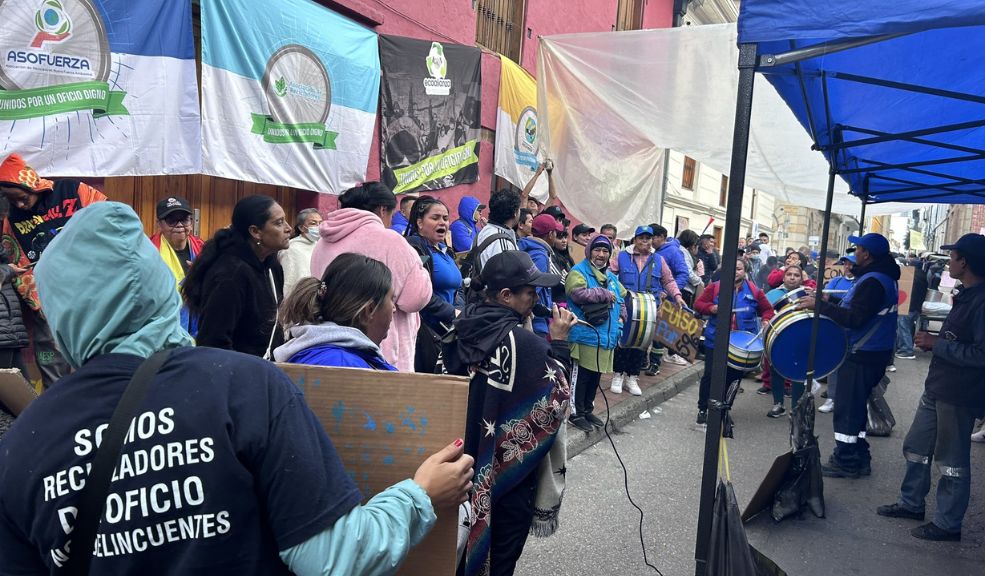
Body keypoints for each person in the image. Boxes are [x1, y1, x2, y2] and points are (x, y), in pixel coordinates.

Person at [0, 201, 474, 575]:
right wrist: (419, 495)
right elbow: (334, 559)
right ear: (157, 284)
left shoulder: (22, 445)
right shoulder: (247, 388)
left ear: (59, 311)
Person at [444, 250, 575, 576]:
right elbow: (557, 403)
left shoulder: (459, 330)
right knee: (500, 562)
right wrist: (558, 344)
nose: (536, 298)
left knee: (452, 557)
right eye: (530, 292)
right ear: (506, 295)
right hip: (507, 482)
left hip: (455, 471)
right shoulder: (525, 346)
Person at [876, 233, 985, 542]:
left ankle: (948, 524)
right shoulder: (968, 294)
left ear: (964, 262)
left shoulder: (982, 300)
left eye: (952, 257)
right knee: (916, 447)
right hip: (938, 388)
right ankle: (911, 503)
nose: (948, 262)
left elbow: (981, 355)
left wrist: (937, 344)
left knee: (951, 462)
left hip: (958, 394)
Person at [797, 232, 900, 478]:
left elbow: (855, 318)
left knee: (847, 409)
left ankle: (846, 460)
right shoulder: (880, 277)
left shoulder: (873, 281)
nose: (854, 254)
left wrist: (820, 305)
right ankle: (859, 454)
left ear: (867, 254)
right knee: (855, 408)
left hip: (863, 353)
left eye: (858, 249)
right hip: (872, 351)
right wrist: (829, 299)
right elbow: (859, 309)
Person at [0, 153, 105, 387]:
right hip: (47, 307)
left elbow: (108, 222)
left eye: (21, 197)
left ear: (31, 185)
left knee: (94, 364)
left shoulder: (73, 191)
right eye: (10, 200)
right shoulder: (14, 219)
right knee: (51, 366)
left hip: (90, 297)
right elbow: (19, 267)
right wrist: (43, 304)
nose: (18, 204)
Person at [311, 182, 431, 372]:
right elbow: (413, 300)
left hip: (330, 344)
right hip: (380, 348)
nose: (390, 222)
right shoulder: (390, 240)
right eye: (391, 215)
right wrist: (421, 270)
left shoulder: (322, 242)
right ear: (383, 210)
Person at [183, 195, 290, 357]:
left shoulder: (271, 264)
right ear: (255, 232)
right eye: (279, 223)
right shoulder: (230, 275)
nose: (288, 228)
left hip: (266, 371)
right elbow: (213, 341)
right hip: (238, 375)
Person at [275, 253, 397, 370]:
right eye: (391, 299)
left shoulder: (332, 356)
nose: (394, 309)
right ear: (369, 310)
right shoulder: (344, 366)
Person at [694, 259, 774, 424]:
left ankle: (724, 409)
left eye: (739, 269)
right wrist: (712, 308)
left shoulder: (755, 291)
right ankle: (703, 409)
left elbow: (767, 310)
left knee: (733, 379)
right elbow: (699, 304)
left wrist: (766, 320)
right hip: (716, 340)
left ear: (744, 271)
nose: (735, 271)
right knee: (710, 375)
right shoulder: (715, 287)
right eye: (732, 268)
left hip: (740, 345)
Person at [612, 226, 685, 394]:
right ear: (635, 239)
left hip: (649, 309)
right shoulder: (622, 256)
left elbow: (669, 280)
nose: (645, 241)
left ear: (652, 240)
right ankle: (618, 375)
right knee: (623, 341)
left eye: (648, 238)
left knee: (641, 343)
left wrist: (677, 295)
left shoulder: (658, 260)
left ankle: (632, 377)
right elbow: (610, 275)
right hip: (626, 306)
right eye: (641, 237)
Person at [566, 234, 626, 432]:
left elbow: (621, 298)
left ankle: (587, 409)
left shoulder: (611, 277)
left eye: (605, 251)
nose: (601, 255)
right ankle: (576, 413)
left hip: (605, 337)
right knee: (581, 377)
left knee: (595, 377)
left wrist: (621, 318)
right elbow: (576, 293)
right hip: (584, 335)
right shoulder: (579, 271)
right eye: (597, 250)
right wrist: (603, 294)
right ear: (589, 250)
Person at [405, 196, 462, 373]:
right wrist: (453, 313)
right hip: (426, 333)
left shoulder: (446, 252)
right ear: (420, 223)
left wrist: (462, 312)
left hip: (450, 329)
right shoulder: (414, 249)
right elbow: (420, 294)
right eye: (435, 218)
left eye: (445, 218)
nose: (442, 223)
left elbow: (458, 289)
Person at [150, 196, 205, 337]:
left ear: (191, 223)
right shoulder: (148, 250)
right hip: (162, 327)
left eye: (184, 219)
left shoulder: (203, 249)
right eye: (171, 220)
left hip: (198, 325)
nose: (179, 225)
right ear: (159, 224)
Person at [765, 265, 807, 418]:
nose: (792, 277)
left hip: (799, 338)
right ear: (783, 277)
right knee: (776, 370)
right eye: (789, 274)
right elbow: (765, 312)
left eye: (796, 275)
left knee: (798, 372)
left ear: (801, 279)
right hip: (778, 337)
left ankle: (796, 408)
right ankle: (778, 404)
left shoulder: (807, 294)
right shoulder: (772, 294)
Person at [818, 254, 857, 414]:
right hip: (834, 327)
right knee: (834, 363)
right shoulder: (836, 281)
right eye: (846, 264)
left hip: (853, 331)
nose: (848, 267)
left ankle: (847, 398)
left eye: (851, 264)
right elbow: (826, 297)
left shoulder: (860, 284)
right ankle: (832, 397)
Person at [651, 224, 691, 367]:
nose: (650, 241)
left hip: (668, 298)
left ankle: (663, 359)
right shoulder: (654, 251)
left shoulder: (673, 251)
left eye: (653, 237)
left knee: (664, 331)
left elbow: (683, 273)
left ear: (661, 237)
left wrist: (670, 292)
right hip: (654, 298)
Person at [518, 214, 563, 337]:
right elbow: (533, 290)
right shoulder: (540, 256)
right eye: (555, 233)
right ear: (550, 234)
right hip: (536, 322)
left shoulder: (530, 248)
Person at [279, 208, 322, 298]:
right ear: (301, 227)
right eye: (313, 223)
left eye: (320, 223)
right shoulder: (291, 249)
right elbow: (289, 282)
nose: (318, 227)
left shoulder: (319, 246)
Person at [895, 254, 930, 360]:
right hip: (916, 307)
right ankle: (904, 347)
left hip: (907, 306)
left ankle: (906, 350)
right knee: (908, 327)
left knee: (903, 327)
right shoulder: (924, 276)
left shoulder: (909, 276)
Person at [475, 189, 520, 269]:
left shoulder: (486, 231)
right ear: (515, 213)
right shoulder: (502, 241)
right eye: (519, 209)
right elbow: (505, 275)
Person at [677, 229, 704, 307]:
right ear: (693, 245)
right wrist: (699, 281)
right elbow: (687, 272)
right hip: (684, 290)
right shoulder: (683, 252)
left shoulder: (680, 250)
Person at [550, 228, 575, 308]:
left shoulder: (568, 258)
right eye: (560, 238)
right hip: (559, 301)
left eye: (565, 237)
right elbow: (559, 280)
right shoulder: (552, 257)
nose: (564, 241)